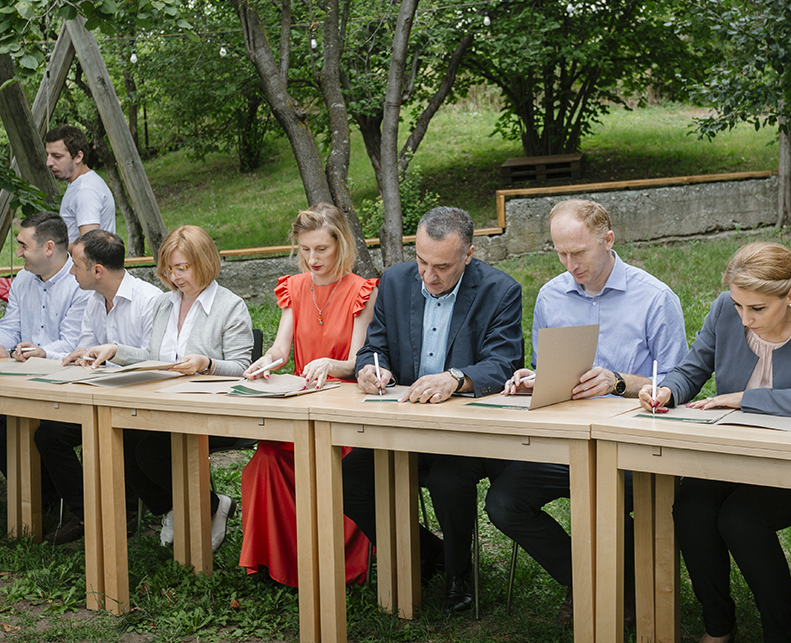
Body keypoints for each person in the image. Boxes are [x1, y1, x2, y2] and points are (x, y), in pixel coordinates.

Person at [641, 242, 791, 643]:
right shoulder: (726, 308)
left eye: (757, 308)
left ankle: (782, 634)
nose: (745, 318)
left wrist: (744, 399)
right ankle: (718, 625)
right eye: (739, 305)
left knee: (741, 520)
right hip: (731, 455)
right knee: (691, 508)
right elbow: (692, 368)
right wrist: (667, 390)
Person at [496, 199, 687, 624]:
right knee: (504, 503)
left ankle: (621, 589)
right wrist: (533, 378)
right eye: (561, 253)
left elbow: (679, 383)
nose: (570, 264)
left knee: (612, 500)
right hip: (567, 444)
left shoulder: (655, 298)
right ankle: (586, 578)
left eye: (579, 252)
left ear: (608, 239)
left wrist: (619, 382)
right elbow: (548, 368)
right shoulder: (551, 296)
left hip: (634, 447)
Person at [344, 206, 524, 614]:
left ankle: (459, 573)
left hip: (465, 433)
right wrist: (371, 369)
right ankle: (429, 554)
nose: (428, 275)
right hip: (402, 424)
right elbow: (373, 346)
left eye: (442, 266)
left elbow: (504, 363)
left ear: (469, 255)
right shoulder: (394, 281)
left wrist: (455, 378)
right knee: (350, 478)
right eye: (422, 261)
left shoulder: (500, 291)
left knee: (448, 479)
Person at [82, 225, 253, 552]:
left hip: (214, 411)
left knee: (151, 449)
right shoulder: (164, 304)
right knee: (122, 439)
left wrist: (206, 363)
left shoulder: (230, 306)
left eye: (182, 268)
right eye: (169, 269)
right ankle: (188, 505)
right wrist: (115, 350)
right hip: (165, 406)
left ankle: (205, 506)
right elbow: (154, 358)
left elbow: (243, 369)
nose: (175, 277)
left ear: (204, 261)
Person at [238, 204, 379, 586]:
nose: (312, 258)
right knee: (265, 460)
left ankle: (334, 562)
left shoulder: (361, 290)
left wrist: (330, 364)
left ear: (341, 245)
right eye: (305, 249)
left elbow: (358, 361)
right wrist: (266, 362)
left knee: (340, 467)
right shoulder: (295, 287)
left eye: (321, 249)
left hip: (343, 412)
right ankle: (274, 561)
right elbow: (281, 349)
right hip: (301, 406)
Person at [38, 230, 162, 544]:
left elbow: (159, 361)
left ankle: (126, 512)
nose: (70, 271)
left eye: (76, 265)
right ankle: (86, 513)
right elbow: (87, 347)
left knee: (120, 435)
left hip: (141, 403)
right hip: (97, 398)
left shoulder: (150, 300)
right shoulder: (93, 300)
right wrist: (82, 356)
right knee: (49, 434)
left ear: (97, 270)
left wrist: (112, 355)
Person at [0, 212, 91, 478]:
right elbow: (10, 327)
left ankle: (51, 488)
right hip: (21, 383)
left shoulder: (80, 283)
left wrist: (38, 354)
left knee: (48, 432)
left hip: (64, 386)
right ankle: (33, 484)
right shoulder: (23, 280)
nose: (18, 253)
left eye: (23, 246)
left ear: (48, 248)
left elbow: (73, 344)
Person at [45, 124, 115, 243]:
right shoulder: (81, 183)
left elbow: (89, 244)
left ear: (78, 157)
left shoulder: (85, 191)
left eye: (57, 156)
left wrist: (53, 247)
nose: (49, 163)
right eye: (48, 155)